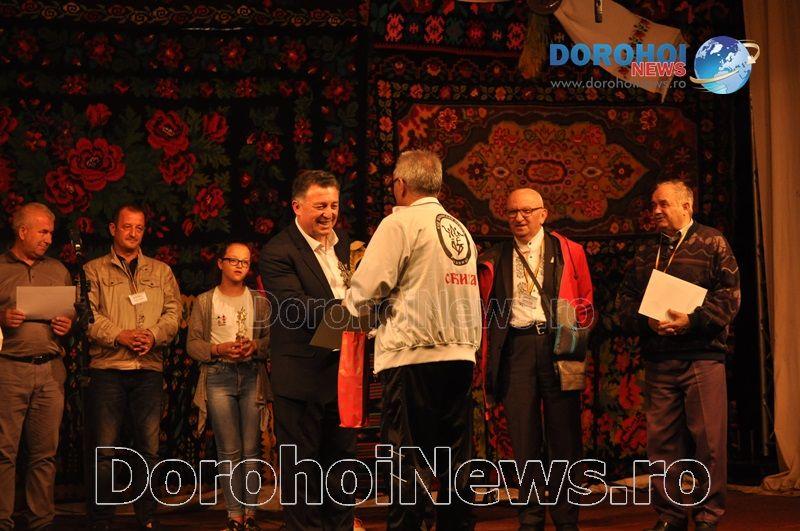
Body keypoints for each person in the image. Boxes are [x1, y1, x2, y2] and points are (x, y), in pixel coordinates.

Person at [343, 149, 482, 530]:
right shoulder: (459, 229)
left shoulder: (400, 224)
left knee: (407, 461)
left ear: (400, 185)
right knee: (455, 461)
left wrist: (338, 324)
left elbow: (366, 290)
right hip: (459, 355)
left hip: (413, 356)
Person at [615, 180, 740, 531]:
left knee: (708, 441)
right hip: (659, 359)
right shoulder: (646, 251)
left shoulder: (712, 242)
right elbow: (624, 302)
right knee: (662, 443)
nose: (655, 211)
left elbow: (730, 297)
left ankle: (707, 515)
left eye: (663, 204)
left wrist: (692, 321)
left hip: (702, 357)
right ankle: (670, 515)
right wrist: (647, 322)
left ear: (687, 206)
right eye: (653, 204)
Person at [479, 188, 594, 531]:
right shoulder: (496, 256)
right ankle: (530, 519)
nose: (519, 218)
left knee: (564, 437)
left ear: (543, 214)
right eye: (512, 212)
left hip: (557, 347)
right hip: (516, 348)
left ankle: (566, 519)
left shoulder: (569, 251)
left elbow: (586, 301)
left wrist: (575, 336)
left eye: (527, 211)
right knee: (523, 438)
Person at [259, 170, 357, 531]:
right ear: (297, 206)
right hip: (301, 380)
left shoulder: (348, 246)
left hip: (343, 376)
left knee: (342, 467)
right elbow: (296, 308)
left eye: (334, 205)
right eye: (320, 206)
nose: (329, 214)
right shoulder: (278, 251)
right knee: (303, 471)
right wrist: (356, 309)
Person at [83, 204, 181, 530]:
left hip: (148, 368)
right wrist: (119, 335)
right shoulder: (93, 270)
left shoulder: (161, 271)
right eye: (127, 226)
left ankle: (147, 516)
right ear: (113, 228)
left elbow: (173, 314)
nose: (133, 233)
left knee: (149, 449)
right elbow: (87, 316)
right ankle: (101, 519)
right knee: (104, 450)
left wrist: (152, 336)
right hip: (108, 368)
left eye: (139, 228)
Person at [187, 242, 272, 531]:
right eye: (233, 260)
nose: (239, 266)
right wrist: (218, 349)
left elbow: (271, 341)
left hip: (251, 375)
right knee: (229, 449)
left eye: (245, 262)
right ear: (220, 263)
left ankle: (251, 514)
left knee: (252, 448)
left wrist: (254, 346)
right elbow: (193, 344)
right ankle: (234, 516)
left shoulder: (259, 301)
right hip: (218, 375)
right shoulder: (205, 301)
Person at [0, 203, 73, 531]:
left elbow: (70, 312)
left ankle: (40, 521)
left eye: (51, 233)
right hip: (9, 369)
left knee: (44, 454)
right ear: (22, 231)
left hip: (49, 370)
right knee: (4, 452)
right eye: (42, 232)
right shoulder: (1, 268)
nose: (48, 239)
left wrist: (67, 322)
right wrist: (2, 317)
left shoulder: (57, 269)